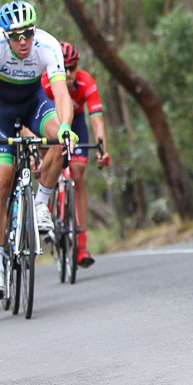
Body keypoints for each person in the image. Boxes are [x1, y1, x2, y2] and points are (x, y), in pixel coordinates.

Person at [0, 0, 78, 299]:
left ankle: (41, 203)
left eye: (27, 34)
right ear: (5, 35)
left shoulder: (47, 45)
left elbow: (60, 94)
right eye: (16, 35)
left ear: (35, 31)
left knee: (60, 140)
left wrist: (64, 126)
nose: (23, 41)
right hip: (1, 113)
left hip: (34, 103)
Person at [41, 40, 111, 268]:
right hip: (51, 122)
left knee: (78, 175)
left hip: (76, 124)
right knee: (50, 165)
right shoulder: (45, 82)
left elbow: (97, 119)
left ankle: (81, 244)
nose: (68, 73)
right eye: (63, 67)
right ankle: (48, 211)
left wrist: (102, 148)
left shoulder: (85, 81)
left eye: (72, 67)